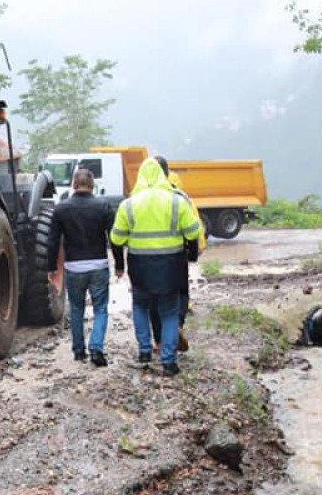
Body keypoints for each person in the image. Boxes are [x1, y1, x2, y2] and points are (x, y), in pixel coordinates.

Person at [109, 158, 202, 376]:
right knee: (169, 312)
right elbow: (193, 233)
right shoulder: (177, 202)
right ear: (163, 175)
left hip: (140, 267)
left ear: (140, 176)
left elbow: (116, 238)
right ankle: (169, 361)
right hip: (171, 266)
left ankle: (144, 351)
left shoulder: (128, 205)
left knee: (141, 306)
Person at [45, 167, 122, 366]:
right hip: (98, 266)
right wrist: (120, 263)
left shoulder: (61, 209)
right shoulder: (103, 206)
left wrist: (51, 266)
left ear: (73, 185)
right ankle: (96, 348)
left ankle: (79, 351)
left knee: (77, 309)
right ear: (92, 185)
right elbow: (114, 238)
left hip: (74, 268)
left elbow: (53, 240)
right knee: (101, 309)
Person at [147, 157, 205, 353]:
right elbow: (193, 228)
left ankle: (159, 341)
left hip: (147, 257)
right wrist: (193, 255)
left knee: (153, 298)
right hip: (176, 256)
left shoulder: (139, 196)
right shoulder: (180, 196)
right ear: (167, 172)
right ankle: (177, 326)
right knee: (180, 293)